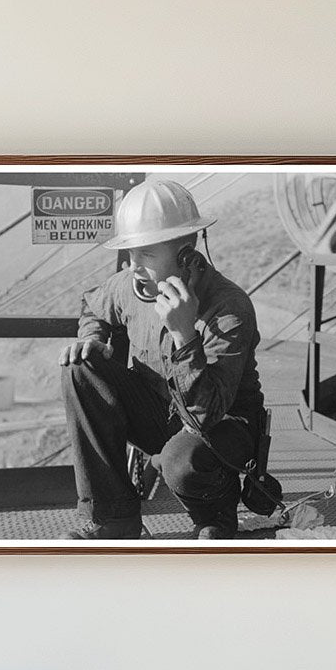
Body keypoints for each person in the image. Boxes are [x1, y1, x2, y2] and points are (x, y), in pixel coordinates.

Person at [59, 178, 264, 540]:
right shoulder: (132, 285)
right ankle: (114, 518)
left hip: (221, 426)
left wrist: (185, 334)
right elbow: (93, 305)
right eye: (131, 254)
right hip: (162, 412)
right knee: (81, 368)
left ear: (187, 253)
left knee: (181, 458)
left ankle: (216, 514)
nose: (134, 266)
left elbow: (204, 415)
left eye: (147, 255)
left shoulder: (228, 307)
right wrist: (92, 339)